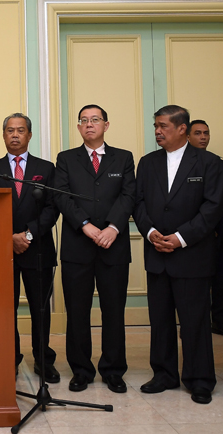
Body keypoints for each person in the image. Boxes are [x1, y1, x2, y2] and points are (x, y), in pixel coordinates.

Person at [134, 105, 223, 405]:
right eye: (155, 126)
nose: (157, 131)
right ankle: (164, 374)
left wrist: (181, 238)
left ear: (182, 128)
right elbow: (139, 203)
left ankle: (199, 380)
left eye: (163, 126)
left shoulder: (209, 163)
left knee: (195, 321)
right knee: (159, 320)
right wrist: (150, 232)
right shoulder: (147, 163)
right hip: (157, 253)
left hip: (192, 255)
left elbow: (212, 208)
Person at [53, 104, 135, 394]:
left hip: (113, 245)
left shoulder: (123, 158)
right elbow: (62, 197)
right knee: (77, 311)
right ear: (78, 128)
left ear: (106, 125)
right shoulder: (66, 159)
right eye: (84, 121)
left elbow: (128, 196)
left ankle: (113, 370)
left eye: (95, 120)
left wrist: (113, 227)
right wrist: (85, 225)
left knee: (114, 311)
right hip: (78, 245)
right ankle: (81, 370)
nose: (89, 125)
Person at [0, 113, 59, 383]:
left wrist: (27, 235)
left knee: (40, 309)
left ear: (30, 135)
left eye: (20, 130)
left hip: (38, 250)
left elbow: (52, 209)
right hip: (3, 252)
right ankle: (9, 359)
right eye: (10, 131)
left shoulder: (46, 168)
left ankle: (43, 360)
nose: (15, 135)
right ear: (3, 135)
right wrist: (9, 238)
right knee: (6, 309)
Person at [185, 120, 223, 335]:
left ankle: (217, 320)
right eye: (198, 133)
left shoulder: (217, 163)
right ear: (187, 136)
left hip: (216, 233)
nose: (203, 137)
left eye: (206, 133)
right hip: (189, 233)